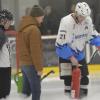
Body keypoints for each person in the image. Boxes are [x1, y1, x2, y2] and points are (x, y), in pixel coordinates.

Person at [55, 2, 100, 98]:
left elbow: (92, 35)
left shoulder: (87, 20)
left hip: (79, 54)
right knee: (67, 81)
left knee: (85, 78)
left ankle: (82, 97)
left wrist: (98, 44)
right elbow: (60, 43)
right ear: (76, 13)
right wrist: (70, 57)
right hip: (65, 55)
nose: (83, 19)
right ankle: (70, 97)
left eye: (85, 16)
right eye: (81, 16)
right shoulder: (66, 22)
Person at [17, 5, 44, 100]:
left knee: (26, 91)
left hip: (24, 64)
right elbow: (35, 51)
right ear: (37, 16)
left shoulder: (23, 27)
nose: (42, 20)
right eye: (42, 17)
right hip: (31, 65)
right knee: (36, 90)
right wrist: (39, 68)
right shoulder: (34, 30)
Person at [0, 9, 13, 99]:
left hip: (4, 68)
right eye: (9, 20)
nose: (10, 23)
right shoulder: (0, 33)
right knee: (3, 94)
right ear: (3, 20)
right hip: (2, 69)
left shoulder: (2, 32)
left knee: (4, 94)